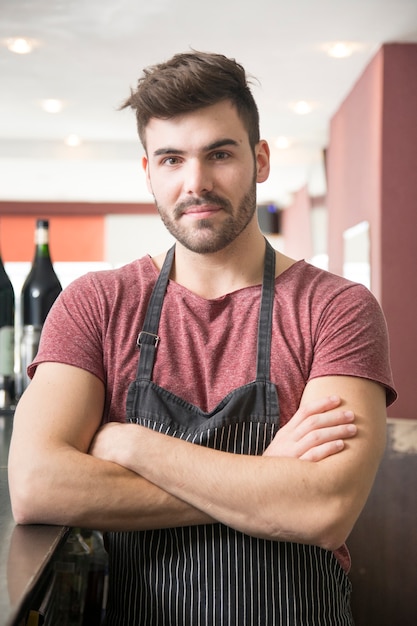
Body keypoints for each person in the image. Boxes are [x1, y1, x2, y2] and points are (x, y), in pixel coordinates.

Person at [8, 51, 396, 625]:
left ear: (260, 160)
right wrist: (268, 481)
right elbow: (37, 486)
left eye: (220, 153)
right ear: (148, 172)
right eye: (172, 159)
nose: (196, 183)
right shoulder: (97, 303)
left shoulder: (337, 308)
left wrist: (136, 447)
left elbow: (323, 509)